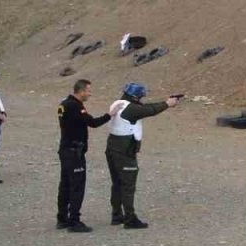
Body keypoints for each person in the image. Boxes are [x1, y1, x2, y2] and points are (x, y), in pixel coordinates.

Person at [104, 82, 179, 229]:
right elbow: (149, 110)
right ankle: (130, 219)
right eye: (139, 97)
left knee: (117, 183)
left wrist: (165, 102)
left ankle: (117, 215)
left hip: (112, 148)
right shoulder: (131, 108)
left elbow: (143, 108)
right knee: (128, 186)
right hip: (124, 151)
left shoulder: (119, 104)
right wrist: (167, 104)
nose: (140, 100)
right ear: (135, 97)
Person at [56, 79, 111, 233]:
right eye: (88, 90)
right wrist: (109, 115)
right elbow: (92, 122)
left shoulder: (64, 103)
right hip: (74, 153)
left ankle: (62, 218)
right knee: (77, 187)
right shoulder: (74, 105)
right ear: (80, 91)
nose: (90, 93)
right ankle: (74, 221)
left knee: (65, 185)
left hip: (65, 150)